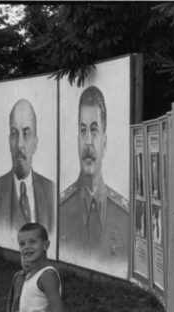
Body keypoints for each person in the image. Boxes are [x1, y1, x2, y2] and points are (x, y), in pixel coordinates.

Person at [59, 86, 129, 265]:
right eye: (83, 131)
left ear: (104, 143)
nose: (88, 141)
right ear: (77, 140)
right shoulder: (60, 211)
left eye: (94, 130)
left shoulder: (125, 217)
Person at [0, 99, 55, 242]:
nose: (20, 144)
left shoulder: (50, 190)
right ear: (9, 141)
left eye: (26, 134)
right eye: (15, 134)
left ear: (35, 143)